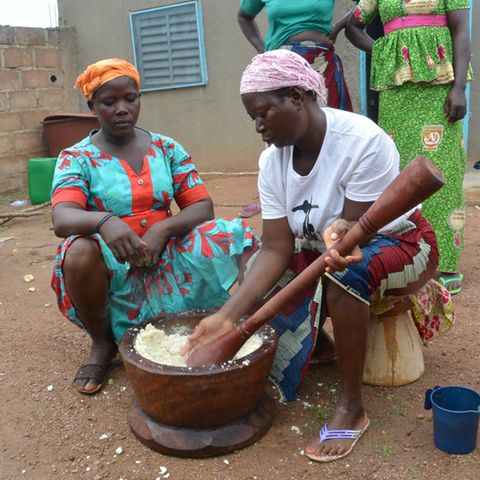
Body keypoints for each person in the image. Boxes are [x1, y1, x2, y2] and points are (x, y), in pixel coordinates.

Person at [183, 50, 453, 462]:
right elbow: (276, 246)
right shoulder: (272, 161)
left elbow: (351, 239)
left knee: (346, 275)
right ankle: (323, 346)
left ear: (296, 96)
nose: (257, 127)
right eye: (252, 117)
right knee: (253, 263)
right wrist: (226, 315)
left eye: (262, 113)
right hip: (321, 248)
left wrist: (336, 240)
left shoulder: (362, 141)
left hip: (402, 244)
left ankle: (352, 407)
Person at [50, 58, 259, 395]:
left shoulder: (166, 147)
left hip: (167, 254)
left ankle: (240, 323)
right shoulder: (77, 158)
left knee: (228, 235)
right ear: (92, 106)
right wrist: (104, 221)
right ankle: (102, 344)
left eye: (130, 99)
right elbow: (63, 217)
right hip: (113, 263)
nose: (122, 109)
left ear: (139, 98)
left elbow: (202, 206)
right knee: (77, 253)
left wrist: (163, 230)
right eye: (109, 102)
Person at [346, 0, 472, 294]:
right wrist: (385, 51)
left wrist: (459, 88)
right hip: (397, 90)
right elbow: (354, 25)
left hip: (440, 87)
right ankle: (404, 255)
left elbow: (462, 30)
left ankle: (446, 263)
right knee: (397, 167)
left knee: (444, 170)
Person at [237, 0, 354, 111]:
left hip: (322, 66)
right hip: (281, 68)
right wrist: (263, 52)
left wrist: (338, 27)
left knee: (330, 121)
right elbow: (244, 17)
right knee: (286, 123)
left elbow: (367, 4)